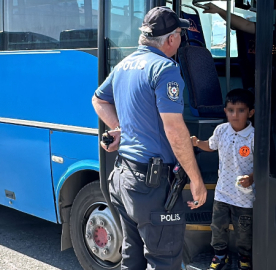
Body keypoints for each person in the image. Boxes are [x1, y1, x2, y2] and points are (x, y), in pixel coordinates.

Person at [92, 6, 207, 270]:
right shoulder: (166, 69)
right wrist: (197, 180)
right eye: (179, 33)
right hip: (151, 187)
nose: (180, 39)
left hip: (123, 179)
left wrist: (122, 129)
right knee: (163, 260)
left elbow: (98, 99)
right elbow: (175, 130)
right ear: (171, 39)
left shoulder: (124, 65)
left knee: (132, 258)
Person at [190, 89, 255, 270]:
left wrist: (251, 178)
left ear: (250, 113)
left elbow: (260, 164)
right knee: (218, 227)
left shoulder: (254, 136)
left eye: (241, 110)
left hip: (245, 196)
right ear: (225, 111)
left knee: (244, 231)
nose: (235, 115)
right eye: (231, 110)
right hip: (222, 193)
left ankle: (244, 257)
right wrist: (196, 142)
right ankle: (220, 256)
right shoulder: (221, 130)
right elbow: (211, 146)